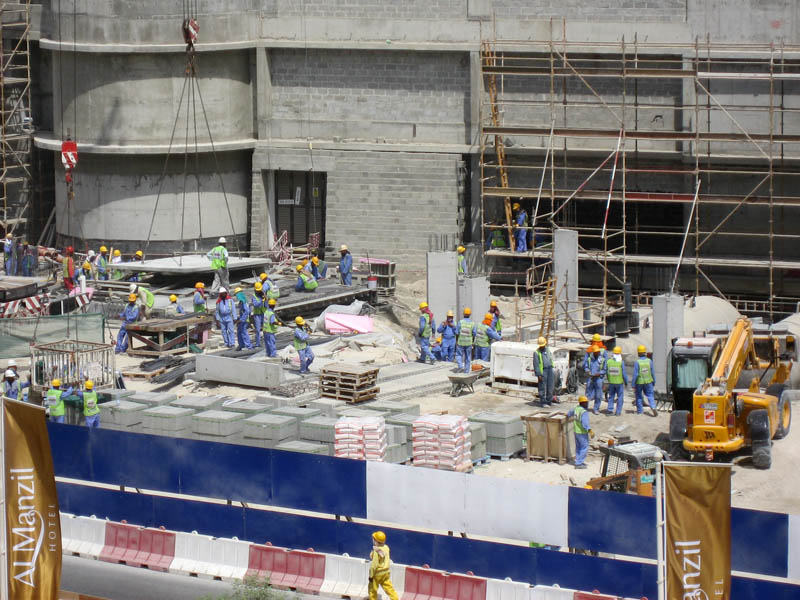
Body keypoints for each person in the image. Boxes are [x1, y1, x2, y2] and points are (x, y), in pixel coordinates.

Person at [368, 531, 398, 600]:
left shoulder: (376, 551)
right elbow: (383, 556)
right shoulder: (386, 547)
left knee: (372, 589)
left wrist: (371, 576)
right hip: (386, 572)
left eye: (373, 539)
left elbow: (374, 565)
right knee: (389, 588)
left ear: (376, 541)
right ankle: (395, 598)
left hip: (377, 574)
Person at [567, 396, 593, 469]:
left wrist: (567, 416)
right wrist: (590, 431)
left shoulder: (576, 409)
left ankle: (578, 461)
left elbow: (569, 414)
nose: (587, 404)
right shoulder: (584, 412)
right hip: (582, 432)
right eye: (586, 403)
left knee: (578, 447)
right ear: (582, 403)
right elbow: (585, 424)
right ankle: (579, 463)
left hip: (576, 431)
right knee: (584, 447)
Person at [634, 345, 657, 417]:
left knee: (639, 396)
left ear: (638, 353)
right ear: (645, 352)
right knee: (650, 395)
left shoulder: (637, 362)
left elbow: (635, 374)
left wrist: (633, 384)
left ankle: (640, 411)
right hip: (648, 381)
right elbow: (652, 372)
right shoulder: (649, 361)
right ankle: (653, 407)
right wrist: (654, 381)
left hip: (639, 382)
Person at [606, 346, 628, 416]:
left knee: (611, 396)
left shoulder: (609, 361)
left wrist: (609, 379)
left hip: (611, 382)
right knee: (620, 397)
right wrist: (626, 382)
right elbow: (624, 373)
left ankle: (610, 410)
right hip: (619, 382)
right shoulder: (621, 362)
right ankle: (618, 412)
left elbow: (607, 372)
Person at [534, 336, 555, 406]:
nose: (543, 347)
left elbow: (550, 358)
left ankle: (549, 400)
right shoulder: (536, 353)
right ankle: (543, 401)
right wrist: (538, 374)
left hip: (550, 369)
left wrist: (553, 367)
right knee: (542, 387)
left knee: (550, 386)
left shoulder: (547, 350)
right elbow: (536, 364)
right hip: (543, 371)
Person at [586, 345, 607, 414]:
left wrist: (599, 373)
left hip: (599, 379)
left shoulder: (602, 360)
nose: (597, 353)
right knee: (588, 394)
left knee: (598, 395)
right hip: (591, 378)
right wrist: (588, 371)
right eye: (596, 352)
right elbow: (586, 367)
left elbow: (605, 369)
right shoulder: (589, 359)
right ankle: (585, 408)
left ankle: (596, 409)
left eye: (598, 352)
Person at [455, 308, 476, 373]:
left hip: (460, 342)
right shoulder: (472, 324)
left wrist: (457, 341)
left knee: (458, 355)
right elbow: (474, 333)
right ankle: (466, 371)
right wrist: (472, 341)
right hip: (469, 343)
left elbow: (457, 332)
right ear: (470, 314)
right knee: (468, 357)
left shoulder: (460, 322)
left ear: (463, 314)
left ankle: (460, 366)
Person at [251, 282, 266, 348]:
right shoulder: (254, 296)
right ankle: (258, 343)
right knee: (257, 329)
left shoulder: (263, 295)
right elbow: (255, 305)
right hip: (257, 315)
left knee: (266, 328)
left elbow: (267, 304)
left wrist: (266, 299)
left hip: (263, 313)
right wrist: (261, 300)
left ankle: (265, 341)